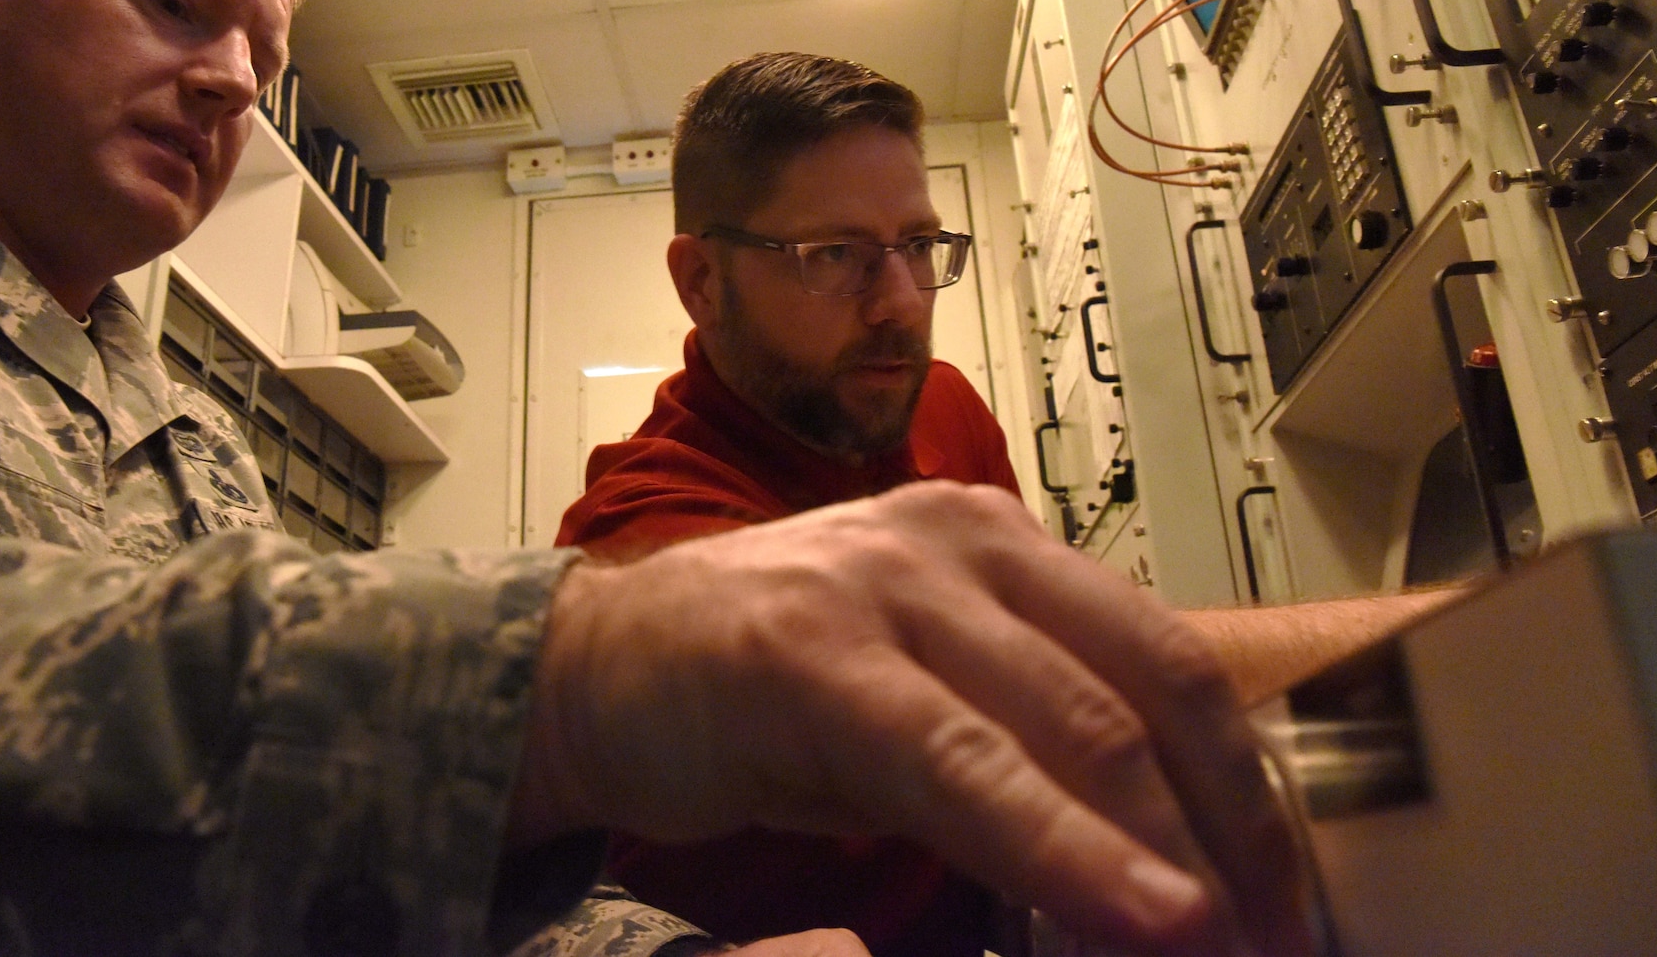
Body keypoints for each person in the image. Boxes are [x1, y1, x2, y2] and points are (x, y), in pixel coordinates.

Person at [0, 0, 1310, 957]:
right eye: (173, 3)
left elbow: (338, 860)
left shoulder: (188, 450)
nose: (236, 80)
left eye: (265, 53)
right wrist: (556, 667)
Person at [557, 52, 1451, 955]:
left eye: (917, 245)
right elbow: (1066, 670)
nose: (901, 302)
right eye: (837, 257)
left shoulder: (936, 400)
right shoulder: (643, 533)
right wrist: (1465, 636)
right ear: (703, 280)